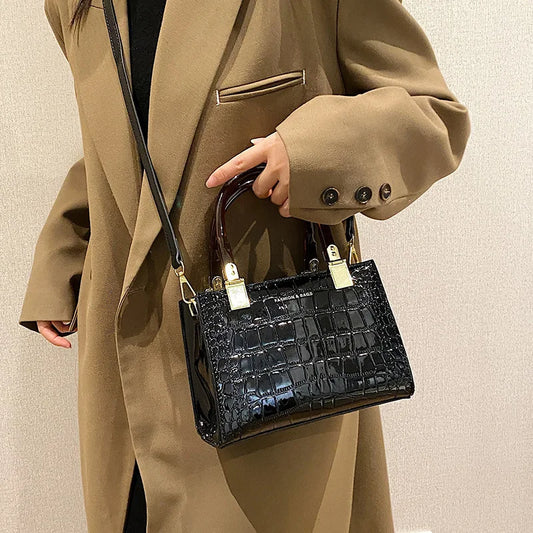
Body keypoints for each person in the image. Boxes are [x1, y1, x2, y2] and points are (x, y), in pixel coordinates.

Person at [19, 0, 471, 531]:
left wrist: (311, 152)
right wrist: (66, 247)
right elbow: (139, 139)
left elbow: (434, 116)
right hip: (126, 377)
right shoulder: (75, 6)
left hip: (273, 377)